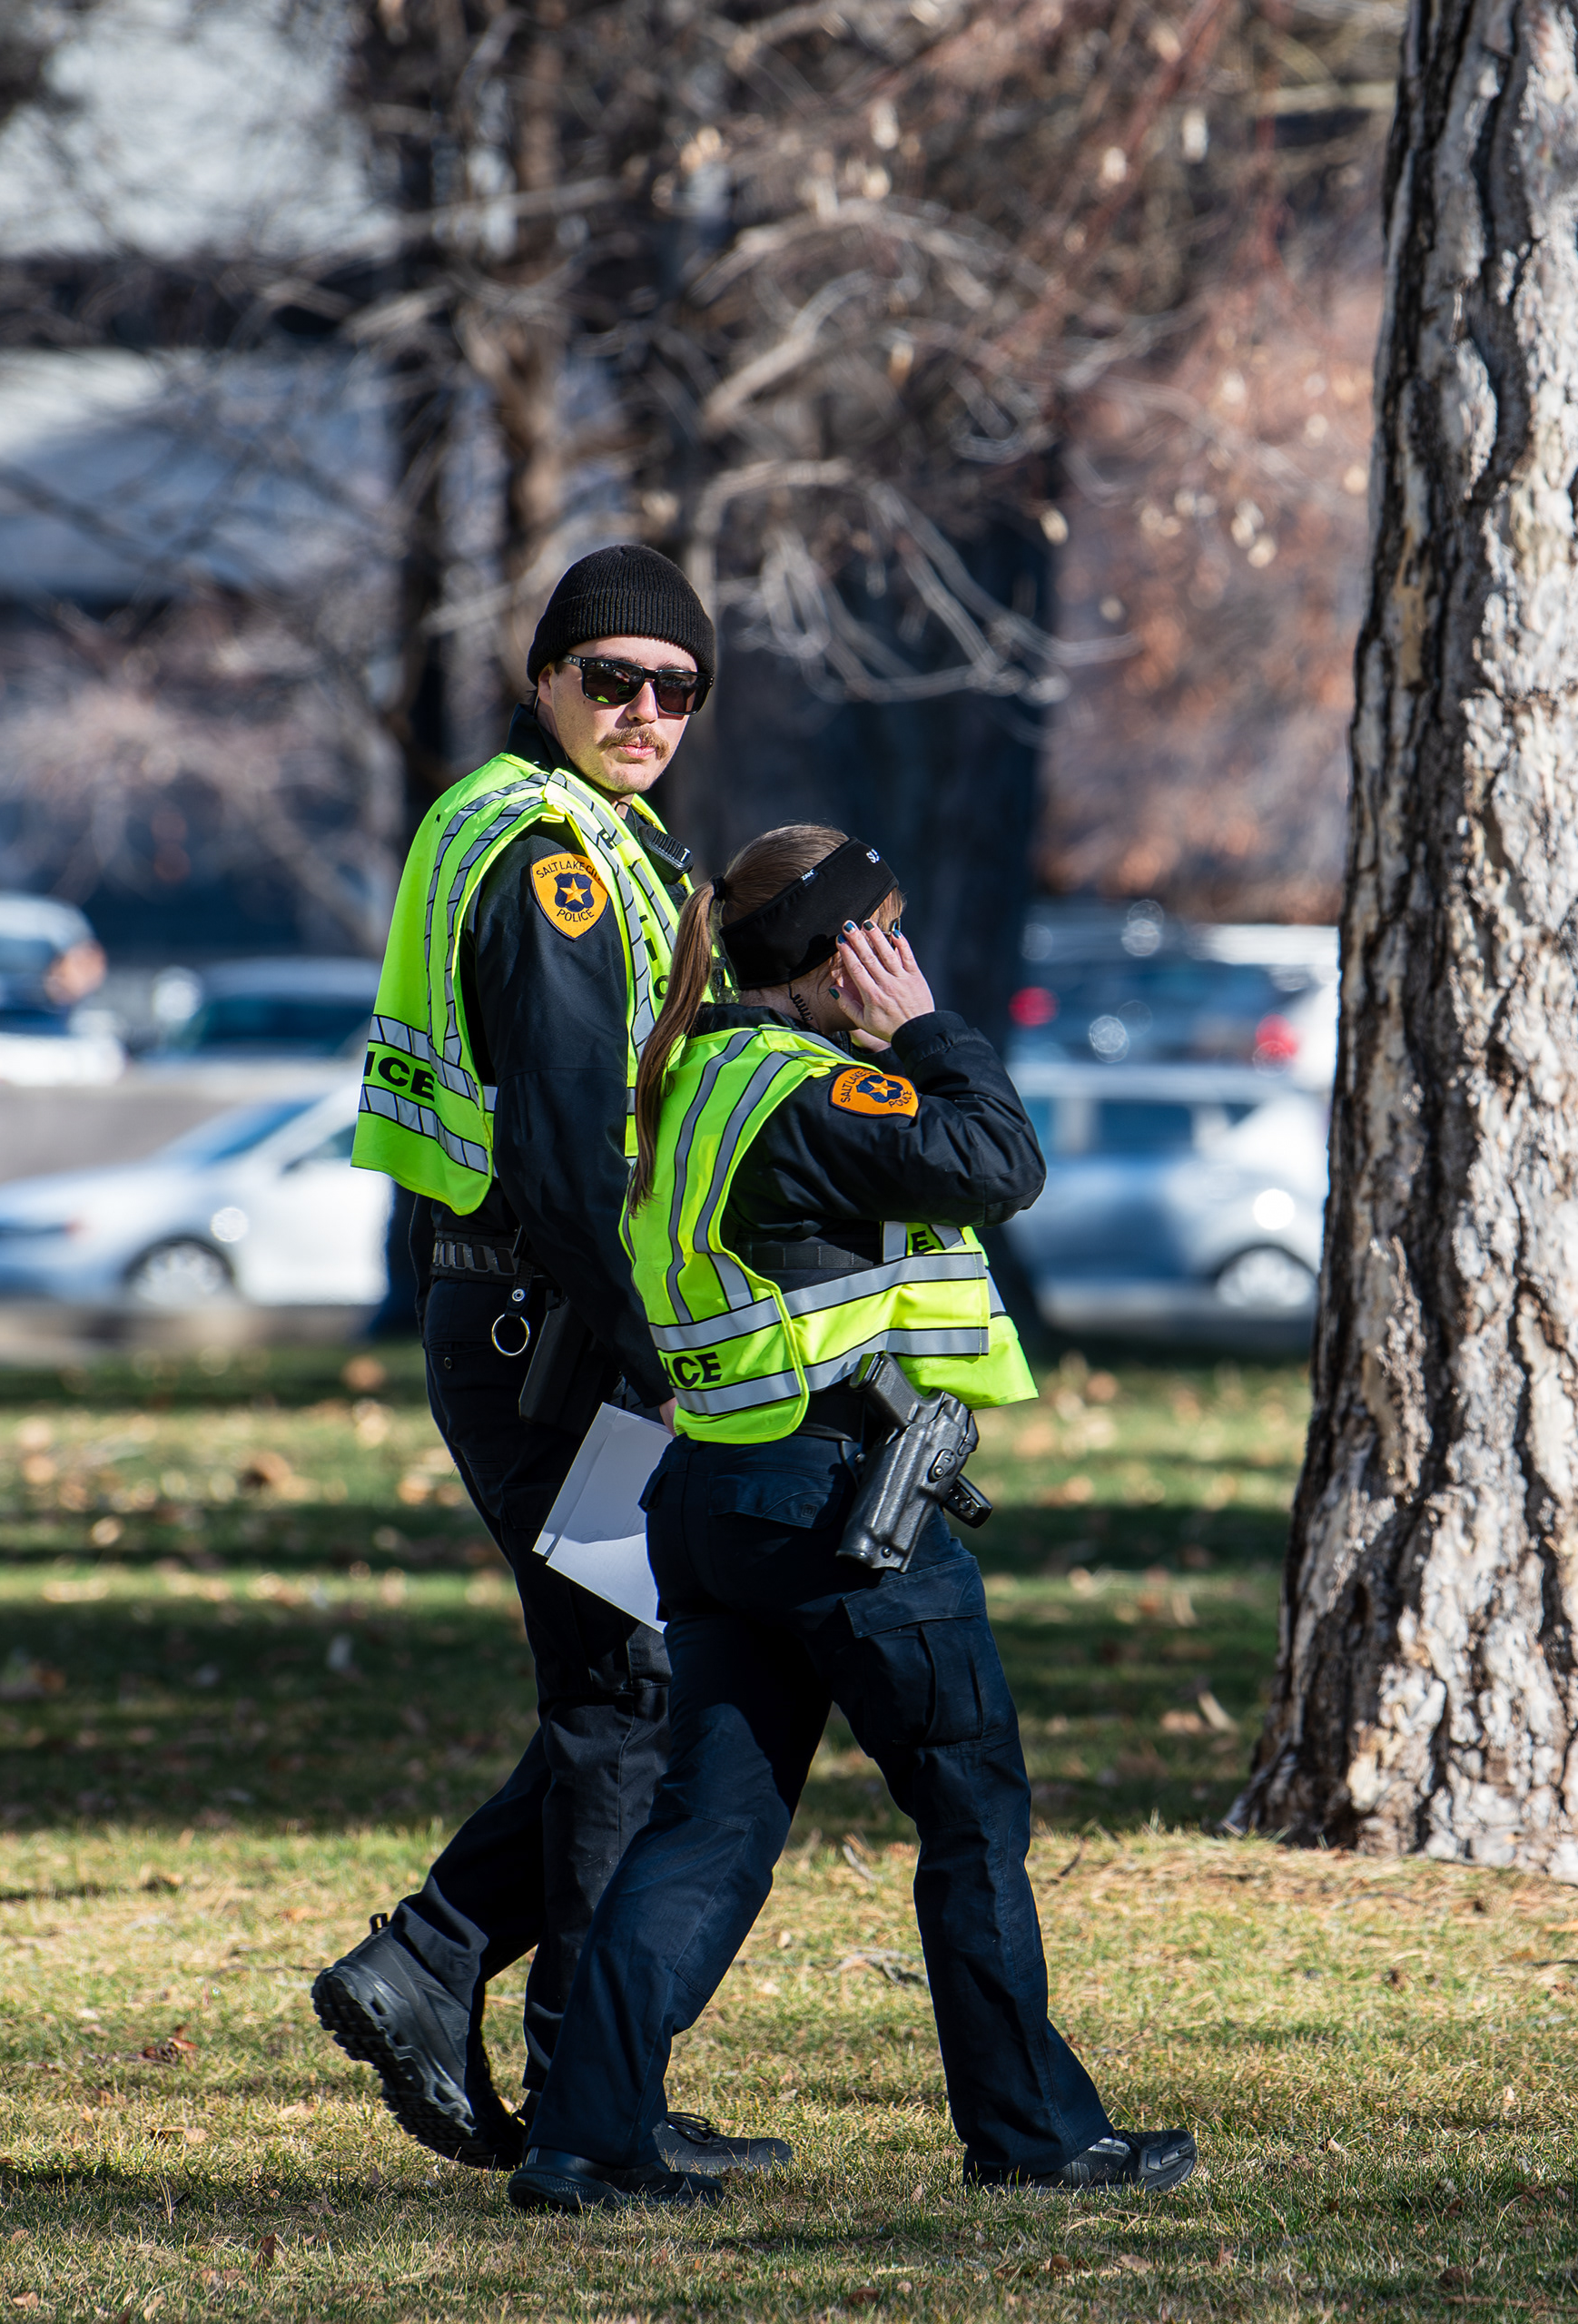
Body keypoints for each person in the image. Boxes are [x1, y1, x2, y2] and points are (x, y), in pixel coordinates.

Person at [502, 823, 1195, 2211]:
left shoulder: (691, 1072)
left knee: (706, 1827)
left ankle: (587, 2141)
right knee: (970, 1816)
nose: (904, 958)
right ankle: (1035, 2136)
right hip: (843, 1506)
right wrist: (929, 1029)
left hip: (713, 1497)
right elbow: (999, 1164)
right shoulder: (806, 1094)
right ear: (841, 956)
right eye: (887, 934)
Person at [315, 545, 780, 2181]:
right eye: (611, 679)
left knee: (627, 1690)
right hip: (558, 1327)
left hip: (531, 1317)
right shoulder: (554, 862)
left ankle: (504, 2017)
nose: (645, 710)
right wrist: (667, 1361)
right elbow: (581, 1157)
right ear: (546, 681)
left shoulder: (571, 834)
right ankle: (534, 2051)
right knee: (631, 1692)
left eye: (677, 686)